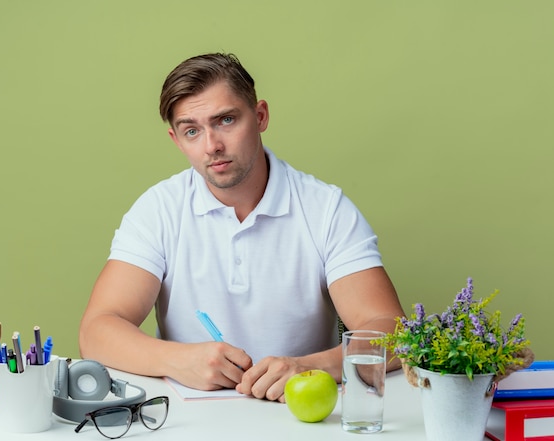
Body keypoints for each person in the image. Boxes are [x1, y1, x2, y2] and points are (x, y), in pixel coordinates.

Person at [79, 53, 405, 402]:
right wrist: (177, 359)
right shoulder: (159, 209)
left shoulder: (326, 209)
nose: (212, 146)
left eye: (226, 120)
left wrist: (311, 367)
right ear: (176, 140)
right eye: (192, 131)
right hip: (189, 422)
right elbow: (97, 331)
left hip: (300, 414)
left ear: (260, 116)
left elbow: (394, 332)